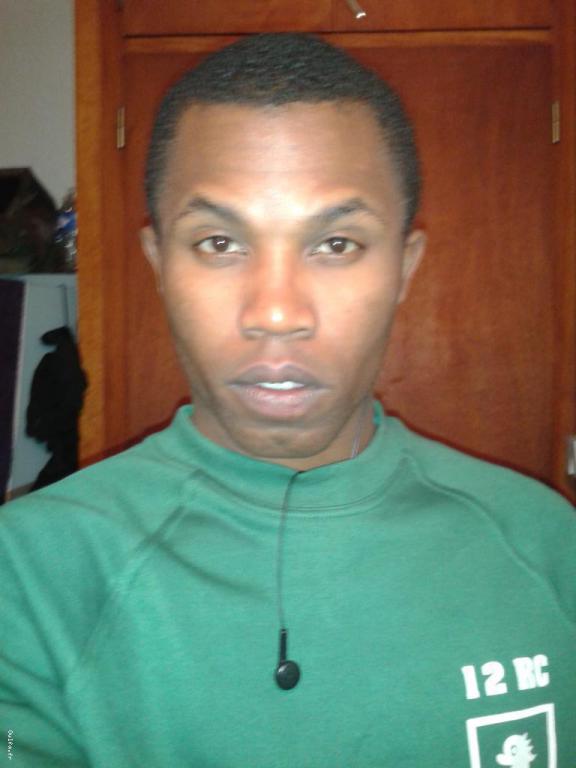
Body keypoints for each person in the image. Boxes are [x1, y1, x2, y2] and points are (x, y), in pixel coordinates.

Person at [0, 33, 574, 768]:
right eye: (218, 243)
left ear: (405, 269)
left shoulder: (544, 541)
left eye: (336, 244)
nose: (276, 312)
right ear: (159, 264)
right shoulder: (30, 570)